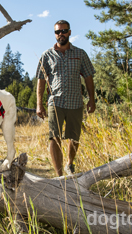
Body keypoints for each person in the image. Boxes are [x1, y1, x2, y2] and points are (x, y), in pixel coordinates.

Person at [36, 20, 96, 177]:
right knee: (54, 137)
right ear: (54, 34)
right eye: (57, 32)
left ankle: (70, 163)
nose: (60, 34)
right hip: (55, 102)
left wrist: (92, 99)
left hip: (76, 102)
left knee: (74, 137)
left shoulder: (80, 54)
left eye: (63, 31)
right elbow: (41, 81)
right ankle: (60, 175)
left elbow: (89, 77)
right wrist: (39, 104)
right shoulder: (46, 55)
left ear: (69, 32)